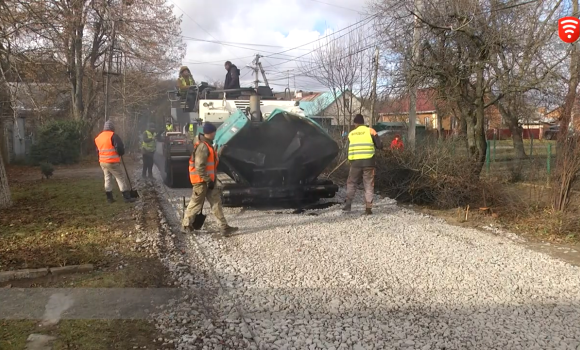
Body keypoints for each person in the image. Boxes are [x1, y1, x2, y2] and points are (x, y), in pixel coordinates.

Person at [181, 122, 238, 236]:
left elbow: (212, 163)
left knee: (216, 203)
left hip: (208, 181)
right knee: (195, 204)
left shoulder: (208, 145)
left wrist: (219, 153)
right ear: (211, 133)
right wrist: (208, 180)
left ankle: (224, 227)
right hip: (201, 181)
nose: (215, 134)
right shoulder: (203, 147)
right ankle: (186, 225)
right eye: (214, 132)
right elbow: (199, 167)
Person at [343, 114, 382, 215]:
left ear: (355, 123)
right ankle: (368, 209)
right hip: (369, 162)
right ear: (363, 123)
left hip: (355, 163)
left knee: (351, 183)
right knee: (368, 184)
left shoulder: (351, 134)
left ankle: (348, 205)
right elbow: (379, 145)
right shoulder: (371, 131)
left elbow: (346, 149)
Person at [94, 120, 135, 203]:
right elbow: (119, 148)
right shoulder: (113, 136)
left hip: (102, 161)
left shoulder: (98, 137)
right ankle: (126, 197)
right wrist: (121, 153)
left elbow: (97, 151)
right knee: (120, 177)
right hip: (112, 161)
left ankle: (109, 198)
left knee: (107, 178)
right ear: (112, 127)